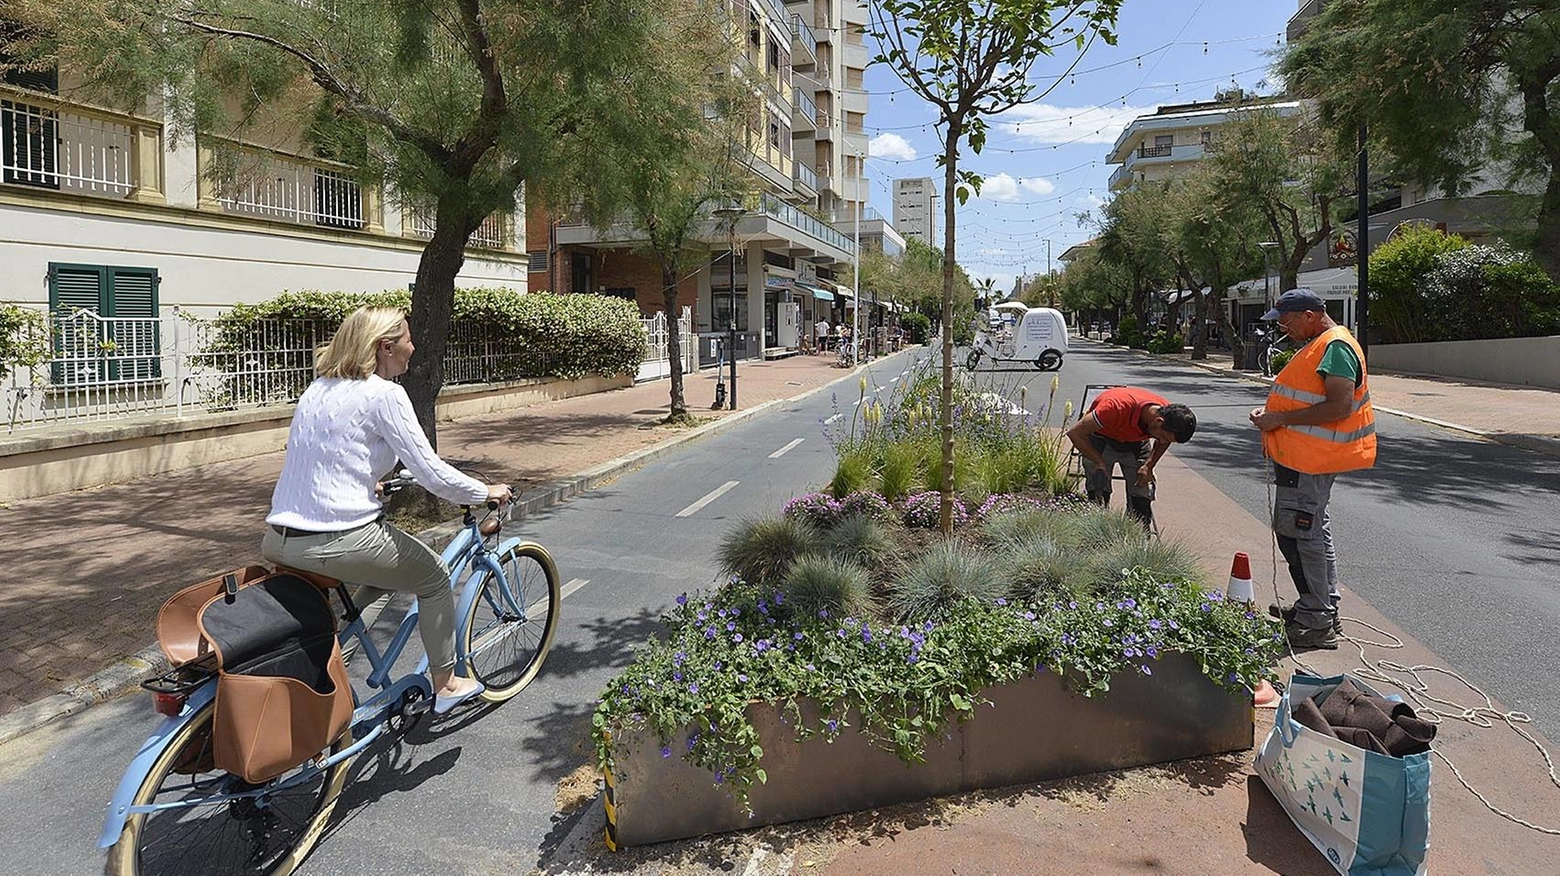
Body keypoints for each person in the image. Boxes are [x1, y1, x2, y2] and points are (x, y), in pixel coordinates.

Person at [261, 306, 512, 714]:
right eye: (408, 340)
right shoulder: (385, 394)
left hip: (280, 539)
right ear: (386, 347)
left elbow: (315, 455)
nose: (413, 348)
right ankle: (446, 683)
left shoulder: (318, 388)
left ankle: (337, 647)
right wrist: (484, 491)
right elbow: (430, 472)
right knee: (432, 576)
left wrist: (365, 482)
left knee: (383, 575)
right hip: (339, 539)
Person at [1249, 288, 1375, 651]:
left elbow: (1339, 405)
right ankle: (1320, 608)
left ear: (1309, 315)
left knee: (1300, 535)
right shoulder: (1324, 344)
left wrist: (1278, 418)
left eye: (1286, 321)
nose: (1283, 329)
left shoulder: (1334, 346)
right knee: (1313, 533)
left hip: (1309, 460)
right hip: (1305, 458)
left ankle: (1316, 620)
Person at [1065, 386, 1198, 530]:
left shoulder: (1167, 416)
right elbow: (1075, 433)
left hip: (1135, 444)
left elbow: (1162, 442)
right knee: (1099, 489)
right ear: (1158, 421)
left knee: (1141, 494)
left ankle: (1137, 537)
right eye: (1163, 437)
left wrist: (1149, 466)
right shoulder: (1114, 407)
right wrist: (1099, 461)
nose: (1163, 442)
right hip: (1102, 439)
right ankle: (1096, 533)